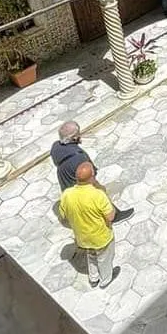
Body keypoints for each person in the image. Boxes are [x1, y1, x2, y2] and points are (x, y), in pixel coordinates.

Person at [49, 121, 133, 222]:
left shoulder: (55, 147)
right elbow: (90, 176)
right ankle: (114, 215)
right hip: (80, 185)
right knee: (99, 193)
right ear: (74, 137)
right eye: (78, 134)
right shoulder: (79, 157)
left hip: (65, 183)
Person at [56, 161, 117, 289]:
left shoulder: (67, 194)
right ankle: (106, 279)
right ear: (92, 177)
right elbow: (110, 216)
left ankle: (93, 278)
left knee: (91, 255)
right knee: (104, 258)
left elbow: (63, 215)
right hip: (100, 236)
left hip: (82, 237)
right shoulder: (97, 194)